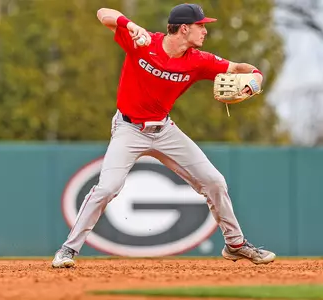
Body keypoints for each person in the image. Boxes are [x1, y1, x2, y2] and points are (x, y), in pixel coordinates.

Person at [51, 3, 276, 268]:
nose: (204, 31)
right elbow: (102, 13)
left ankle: (235, 244)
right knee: (107, 188)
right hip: (129, 128)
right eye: (200, 26)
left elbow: (240, 68)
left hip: (165, 131)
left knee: (214, 181)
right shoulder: (143, 42)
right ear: (184, 28)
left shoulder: (198, 60)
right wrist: (129, 24)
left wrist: (257, 78)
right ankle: (68, 249)